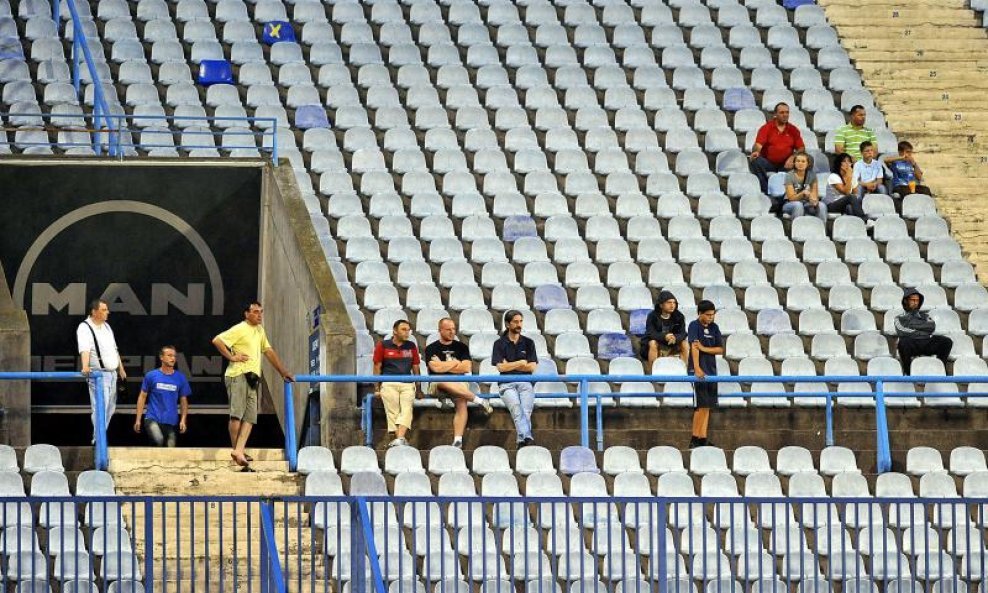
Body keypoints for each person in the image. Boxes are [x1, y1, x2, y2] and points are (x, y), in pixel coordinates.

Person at [213, 301, 294, 470]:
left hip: (252, 377)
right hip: (238, 375)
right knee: (237, 415)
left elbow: (268, 351)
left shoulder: (259, 330)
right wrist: (231, 357)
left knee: (250, 417)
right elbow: (217, 340)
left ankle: (239, 450)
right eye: (256, 312)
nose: (259, 315)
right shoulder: (240, 328)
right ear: (246, 314)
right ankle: (237, 450)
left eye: (261, 312)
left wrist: (282, 371)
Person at [424, 318, 494, 448]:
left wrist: (444, 365)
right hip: (437, 384)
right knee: (442, 380)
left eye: (454, 329)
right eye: (448, 329)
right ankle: (479, 401)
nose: (452, 332)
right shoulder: (431, 348)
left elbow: (466, 368)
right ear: (440, 330)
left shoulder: (461, 347)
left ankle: (458, 440)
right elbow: (435, 369)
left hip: (459, 382)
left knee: (462, 400)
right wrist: (456, 362)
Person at [77, 299, 126, 443]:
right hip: (98, 375)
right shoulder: (85, 327)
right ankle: (98, 438)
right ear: (94, 311)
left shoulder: (107, 327)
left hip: (112, 374)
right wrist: (85, 366)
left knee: (110, 407)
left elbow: (114, 349)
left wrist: (120, 368)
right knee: (100, 407)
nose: (107, 312)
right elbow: (84, 348)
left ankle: (100, 436)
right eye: (104, 310)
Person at [491, 310, 538, 448]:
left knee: (526, 410)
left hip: (525, 382)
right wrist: (520, 363)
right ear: (507, 324)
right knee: (517, 409)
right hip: (506, 384)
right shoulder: (498, 344)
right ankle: (527, 437)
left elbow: (532, 367)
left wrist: (510, 365)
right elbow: (501, 368)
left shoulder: (529, 343)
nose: (519, 324)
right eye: (516, 322)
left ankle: (521, 441)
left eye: (521, 321)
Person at [373, 319, 421, 448]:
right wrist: (377, 387)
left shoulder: (411, 346)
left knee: (407, 409)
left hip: (407, 383)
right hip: (388, 382)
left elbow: (416, 367)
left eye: (408, 330)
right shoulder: (382, 345)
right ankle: (400, 438)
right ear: (395, 331)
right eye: (403, 330)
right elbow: (377, 366)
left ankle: (399, 438)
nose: (407, 333)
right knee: (392, 411)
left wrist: (419, 388)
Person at [133, 345, 190, 447]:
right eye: (169, 355)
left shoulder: (180, 377)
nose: (173, 358)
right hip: (152, 418)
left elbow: (183, 401)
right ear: (161, 357)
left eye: (174, 356)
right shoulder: (151, 375)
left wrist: (183, 420)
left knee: (170, 450)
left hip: (171, 422)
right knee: (158, 440)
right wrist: (138, 419)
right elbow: (142, 397)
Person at [687, 300, 724, 449]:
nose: (710, 318)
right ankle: (694, 439)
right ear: (700, 313)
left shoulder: (715, 328)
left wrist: (704, 348)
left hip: (711, 370)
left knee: (707, 406)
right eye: (708, 315)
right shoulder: (694, 326)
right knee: (700, 406)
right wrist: (696, 368)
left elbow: (720, 349)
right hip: (698, 370)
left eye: (712, 315)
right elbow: (694, 347)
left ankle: (703, 438)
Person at [749, 102, 805, 194]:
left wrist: (793, 157)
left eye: (787, 112)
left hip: (786, 164)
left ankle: (798, 191)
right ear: (775, 114)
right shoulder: (766, 128)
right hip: (769, 163)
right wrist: (756, 151)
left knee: (807, 159)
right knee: (756, 160)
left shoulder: (793, 130)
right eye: (782, 113)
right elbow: (758, 145)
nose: (785, 115)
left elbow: (801, 148)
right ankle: (767, 191)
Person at [895, 289, 953, 375]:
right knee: (903, 343)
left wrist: (912, 326)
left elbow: (931, 326)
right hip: (912, 343)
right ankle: (908, 372)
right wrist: (922, 330)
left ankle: (940, 368)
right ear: (906, 301)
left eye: (917, 300)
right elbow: (902, 331)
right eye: (913, 300)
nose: (915, 302)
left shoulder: (925, 315)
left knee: (946, 342)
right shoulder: (899, 318)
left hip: (926, 342)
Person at [641, 290, 688, 371]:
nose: (672, 305)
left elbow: (683, 333)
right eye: (669, 302)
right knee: (652, 343)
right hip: (657, 344)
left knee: (685, 343)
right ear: (661, 305)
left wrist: (675, 338)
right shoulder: (652, 316)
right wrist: (665, 337)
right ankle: (653, 372)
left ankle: (684, 371)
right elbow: (650, 333)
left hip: (672, 344)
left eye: (674, 303)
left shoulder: (679, 316)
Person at [782, 151, 827, 220]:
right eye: (798, 161)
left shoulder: (812, 175)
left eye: (803, 161)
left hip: (806, 203)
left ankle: (822, 228)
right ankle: (796, 229)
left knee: (822, 205)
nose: (800, 163)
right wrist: (802, 193)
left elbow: (815, 194)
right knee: (798, 205)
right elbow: (791, 198)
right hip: (790, 204)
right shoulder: (789, 175)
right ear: (794, 163)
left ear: (807, 164)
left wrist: (814, 200)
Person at [824, 153, 868, 221]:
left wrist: (851, 177)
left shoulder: (851, 176)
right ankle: (865, 220)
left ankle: (856, 224)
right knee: (851, 197)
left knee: (854, 202)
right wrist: (849, 176)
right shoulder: (833, 176)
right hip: (832, 205)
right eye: (844, 161)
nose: (847, 163)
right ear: (839, 164)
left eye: (849, 161)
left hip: (845, 204)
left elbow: (856, 193)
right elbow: (846, 192)